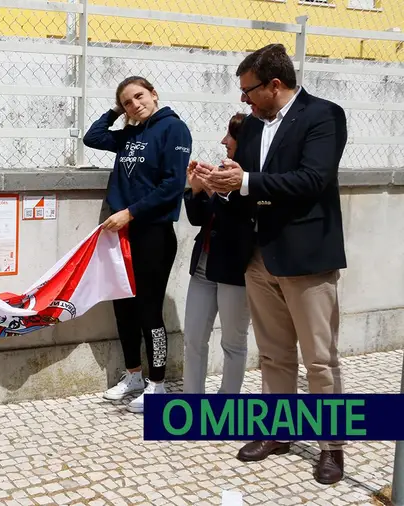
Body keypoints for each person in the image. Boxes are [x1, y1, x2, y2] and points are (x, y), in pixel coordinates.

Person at [195, 43, 348, 485]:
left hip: (306, 257)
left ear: (274, 85)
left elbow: (312, 180)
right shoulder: (255, 128)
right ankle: (278, 432)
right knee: (275, 355)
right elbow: (252, 188)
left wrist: (245, 181)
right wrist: (220, 183)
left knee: (320, 359)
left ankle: (332, 447)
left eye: (249, 90)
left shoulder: (324, 115)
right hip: (258, 255)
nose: (243, 99)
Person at [83, 75, 192, 414]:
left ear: (154, 94)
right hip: (123, 234)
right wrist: (116, 111)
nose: (135, 104)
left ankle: (157, 384)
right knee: (123, 307)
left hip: (153, 233)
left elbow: (173, 185)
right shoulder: (132, 131)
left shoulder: (174, 129)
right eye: (128, 101)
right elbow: (93, 138)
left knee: (148, 310)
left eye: (139, 96)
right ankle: (132, 375)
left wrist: (130, 213)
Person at [182, 113, 253, 395]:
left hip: (234, 269)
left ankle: (227, 407)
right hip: (203, 266)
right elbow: (200, 219)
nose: (224, 141)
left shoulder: (255, 177)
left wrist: (218, 192)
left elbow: (245, 220)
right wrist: (197, 190)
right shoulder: (224, 170)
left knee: (233, 344)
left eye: (230, 136)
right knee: (194, 338)